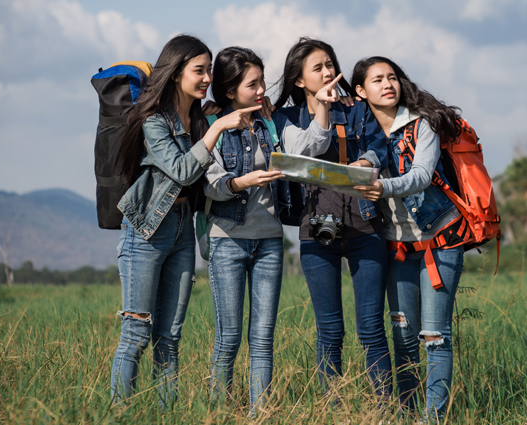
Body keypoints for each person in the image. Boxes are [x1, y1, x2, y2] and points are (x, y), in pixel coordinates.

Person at [110, 34, 261, 407]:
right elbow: (179, 170)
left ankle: (165, 413)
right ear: (176, 72)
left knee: (170, 336)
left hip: (180, 229)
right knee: (136, 333)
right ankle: (118, 412)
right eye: (199, 70)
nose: (207, 77)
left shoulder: (198, 117)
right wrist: (216, 128)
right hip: (146, 230)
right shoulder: (152, 120)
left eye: (209, 69)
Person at [202, 46, 339, 414]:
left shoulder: (271, 124)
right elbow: (210, 184)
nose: (262, 89)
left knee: (262, 338)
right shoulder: (214, 127)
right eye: (252, 84)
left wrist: (323, 106)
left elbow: (311, 146)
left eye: (262, 81)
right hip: (227, 240)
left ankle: (259, 414)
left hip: (269, 242)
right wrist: (243, 181)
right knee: (228, 338)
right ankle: (218, 413)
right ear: (231, 91)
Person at [273, 37, 392, 399]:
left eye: (330, 64)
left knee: (371, 328)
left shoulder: (356, 108)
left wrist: (368, 160)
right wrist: (322, 108)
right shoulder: (287, 117)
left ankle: (388, 410)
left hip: (364, 224)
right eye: (318, 68)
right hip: (319, 227)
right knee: (330, 330)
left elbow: (380, 142)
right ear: (299, 80)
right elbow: (302, 152)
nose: (327, 72)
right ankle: (332, 409)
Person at [351, 56, 464, 421]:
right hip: (397, 247)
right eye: (378, 79)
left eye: (393, 77)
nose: (388, 84)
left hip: (440, 241)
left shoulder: (421, 125)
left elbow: (421, 176)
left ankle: (433, 418)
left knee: (435, 336)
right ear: (360, 91)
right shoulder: (362, 132)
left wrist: (380, 186)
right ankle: (406, 415)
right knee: (402, 337)